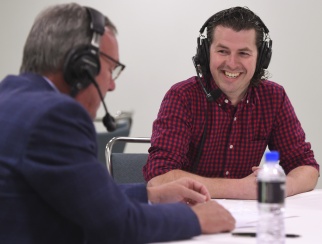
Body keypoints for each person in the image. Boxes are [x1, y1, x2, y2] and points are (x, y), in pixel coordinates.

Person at [0, 3, 235, 244]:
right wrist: (194, 218)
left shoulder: (9, 97)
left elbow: (86, 197)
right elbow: (117, 225)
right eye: (111, 69)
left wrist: (151, 195)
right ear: (82, 67)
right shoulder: (55, 115)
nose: (111, 85)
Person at [143, 6, 319, 200]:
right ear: (206, 52)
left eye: (243, 53)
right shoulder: (182, 97)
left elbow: (307, 167)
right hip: (189, 215)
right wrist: (242, 189)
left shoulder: (273, 97)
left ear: (261, 59)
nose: (232, 63)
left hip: (247, 219)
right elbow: (159, 179)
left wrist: (281, 186)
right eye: (222, 51)